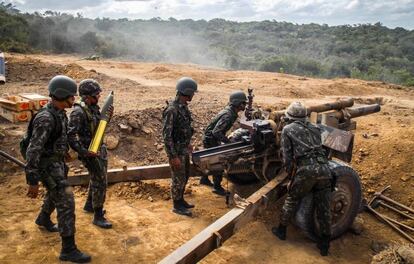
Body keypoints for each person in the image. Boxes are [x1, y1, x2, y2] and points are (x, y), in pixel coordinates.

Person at [25, 75, 91, 263]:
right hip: (47, 167)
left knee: (55, 194)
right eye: (71, 96)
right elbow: (34, 149)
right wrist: (32, 180)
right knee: (66, 202)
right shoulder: (46, 118)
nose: (74, 99)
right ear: (62, 95)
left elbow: (54, 141)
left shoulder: (59, 113)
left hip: (57, 163)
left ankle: (43, 219)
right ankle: (68, 249)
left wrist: (64, 154)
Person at [272, 101, 332, 256]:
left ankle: (281, 230)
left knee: (292, 198)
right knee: (324, 206)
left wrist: (290, 174)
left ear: (289, 116)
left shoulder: (287, 129)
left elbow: (287, 156)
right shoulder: (315, 128)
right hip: (325, 168)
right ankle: (324, 244)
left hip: (306, 170)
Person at [67, 79, 113, 229]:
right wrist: (85, 152)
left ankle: (89, 205)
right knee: (100, 181)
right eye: (96, 95)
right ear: (86, 97)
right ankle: (98, 216)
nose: (99, 97)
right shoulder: (78, 112)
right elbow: (71, 136)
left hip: (97, 149)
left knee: (96, 178)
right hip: (89, 152)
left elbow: (98, 125)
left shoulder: (92, 107)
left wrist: (108, 117)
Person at [200, 91, 248, 195]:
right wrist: (227, 141)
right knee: (218, 162)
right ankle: (217, 187)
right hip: (211, 139)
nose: (245, 105)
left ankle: (204, 179)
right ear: (237, 103)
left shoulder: (230, 112)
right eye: (243, 103)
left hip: (209, 137)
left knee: (208, 160)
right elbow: (216, 132)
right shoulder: (228, 115)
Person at [162, 77, 197, 216]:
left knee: (184, 176)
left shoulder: (183, 108)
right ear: (187, 92)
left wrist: (188, 144)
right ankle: (177, 205)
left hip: (183, 149)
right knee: (178, 178)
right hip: (176, 152)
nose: (193, 95)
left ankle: (181, 199)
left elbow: (185, 128)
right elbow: (167, 136)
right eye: (192, 92)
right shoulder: (172, 110)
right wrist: (173, 156)